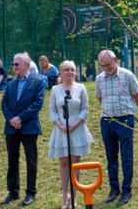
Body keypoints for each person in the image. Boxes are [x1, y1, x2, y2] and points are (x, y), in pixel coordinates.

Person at [95, 50, 138, 206]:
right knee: (111, 157)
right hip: (107, 121)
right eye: (103, 65)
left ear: (115, 60)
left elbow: (137, 97)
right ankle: (114, 188)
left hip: (125, 120)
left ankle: (126, 190)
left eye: (108, 64)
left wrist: (127, 112)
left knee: (126, 157)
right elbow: (100, 98)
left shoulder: (128, 75)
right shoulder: (99, 79)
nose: (106, 68)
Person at [0, 53, 45, 206]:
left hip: (29, 127)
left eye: (16, 64)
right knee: (12, 160)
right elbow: (4, 104)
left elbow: (38, 104)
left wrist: (20, 118)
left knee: (31, 161)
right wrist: (12, 119)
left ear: (26, 65)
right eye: (13, 64)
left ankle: (30, 193)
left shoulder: (38, 82)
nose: (13, 67)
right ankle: (13, 192)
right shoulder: (10, 83)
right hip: (11, 128)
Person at [48, 60, 94, 209]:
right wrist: (60, 125)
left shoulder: (81, 88)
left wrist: (76, 123)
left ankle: (74, 198)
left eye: (72, 70)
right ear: (61, 72)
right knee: (63, 163)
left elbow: (85, 108)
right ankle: (65, 198)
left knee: (75, 163)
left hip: (77, 129)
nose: (70, 72)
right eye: (67, 70)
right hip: (61, 129)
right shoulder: (55, 90)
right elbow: (52, 110)